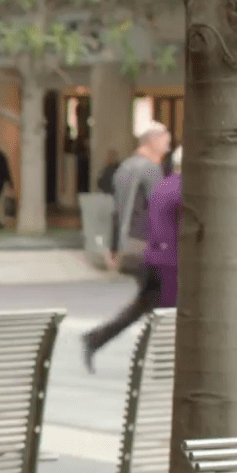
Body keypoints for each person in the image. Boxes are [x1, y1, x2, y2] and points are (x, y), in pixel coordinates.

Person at [83, 146, 183, 372]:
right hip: (171, 262)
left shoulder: (162, 186)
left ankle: (96, 338)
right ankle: (166, 362)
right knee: (169, 312)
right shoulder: (182, 189)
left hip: (152, 258)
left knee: (140, 308)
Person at [108, 124, 170, 274]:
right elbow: (160, 210)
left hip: (123, 244)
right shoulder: (151, 169)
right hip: (143, 244)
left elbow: (116, 209)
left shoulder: (124, 167)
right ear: (152, 141)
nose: (167, 149)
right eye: (165, 144)